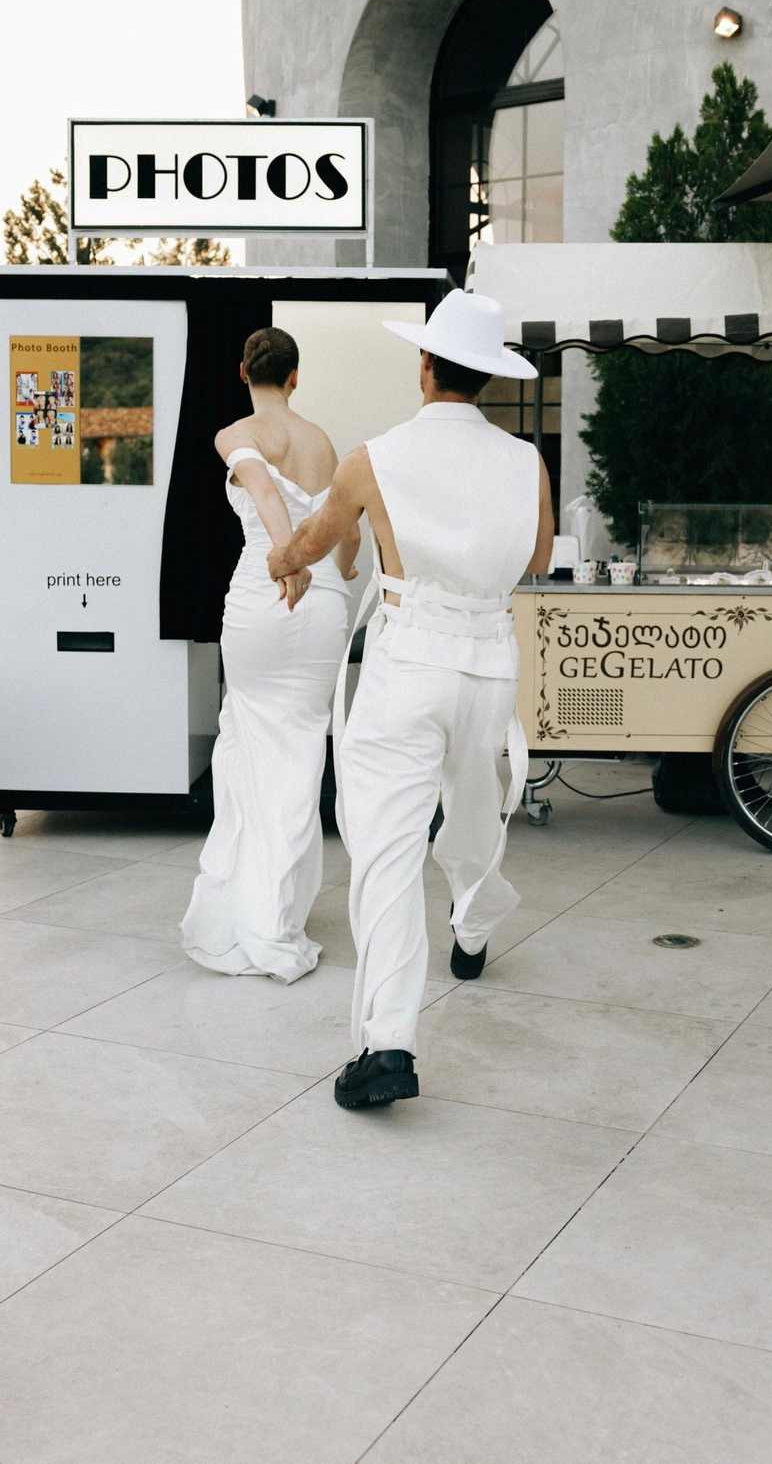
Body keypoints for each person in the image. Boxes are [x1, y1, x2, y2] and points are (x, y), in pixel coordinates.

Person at [267, 290, 554, 1107]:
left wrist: (282, 562)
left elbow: (317, 538)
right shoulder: (526, 462)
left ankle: (388, 1044)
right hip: (488, 663)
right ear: (487, 376)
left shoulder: (375, 457)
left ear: (425, 365)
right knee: (473, 813)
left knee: (388, 849)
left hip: (411, 661)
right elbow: (537, 556)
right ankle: (474, 924)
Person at [180, 326, 360, 983]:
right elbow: (348, 536)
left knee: (251, 742)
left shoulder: (236, 433)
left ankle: (250, 908)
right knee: (303, 747)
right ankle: (280, 908)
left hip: (264, 597)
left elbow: (262, 492)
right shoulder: (322, 442)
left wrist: (287, 562)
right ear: (294, 376)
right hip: (323, 606)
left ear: (243, 372)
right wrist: (329, 569)